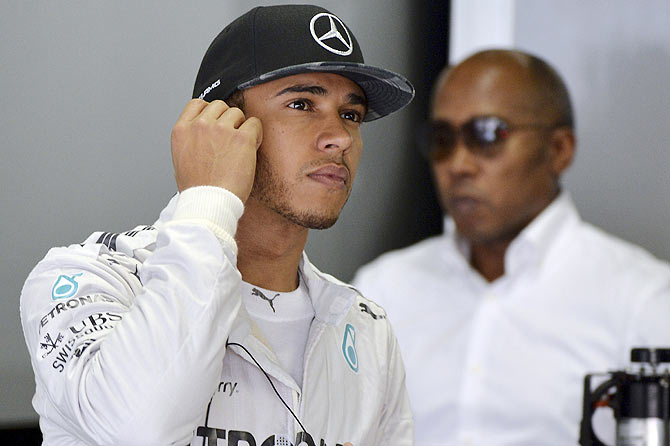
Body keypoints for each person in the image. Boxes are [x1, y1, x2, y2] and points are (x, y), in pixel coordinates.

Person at [20, 5, 415, 445]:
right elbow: (138, 431)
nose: (340, 136)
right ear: (220, 124)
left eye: (351, 114)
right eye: (302, 104)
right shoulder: (87, 278)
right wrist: (208, 198)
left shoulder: (366, 327)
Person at [353, 49, 670, 445]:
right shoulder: (382, 291)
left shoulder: (643, 299)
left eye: (487, 134)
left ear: (559, 149)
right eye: (442, 139)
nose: (459, 164)